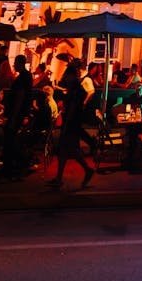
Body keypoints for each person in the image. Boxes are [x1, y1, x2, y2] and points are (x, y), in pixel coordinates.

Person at [47, 60, 95, 190]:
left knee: (69, 149)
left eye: (67, 75)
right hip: (72, 123)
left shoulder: (76, 91)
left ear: (72, 76)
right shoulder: (75, 89)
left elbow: (73, 108)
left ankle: (85, 170)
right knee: (66, 150)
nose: (65, 78)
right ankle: (59, 177)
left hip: (71, 124)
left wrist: (67, 122)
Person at [0, 54, 33, 179]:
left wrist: (14, 116)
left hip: (16, 114)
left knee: (10, 140)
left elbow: (20, 97)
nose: (14, 65)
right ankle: (14, 166)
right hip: (18, 113)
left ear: (20, 63)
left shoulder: (23, 78)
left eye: (15, 63)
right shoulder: (25, 77)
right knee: (11, 140)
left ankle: (11, 167)